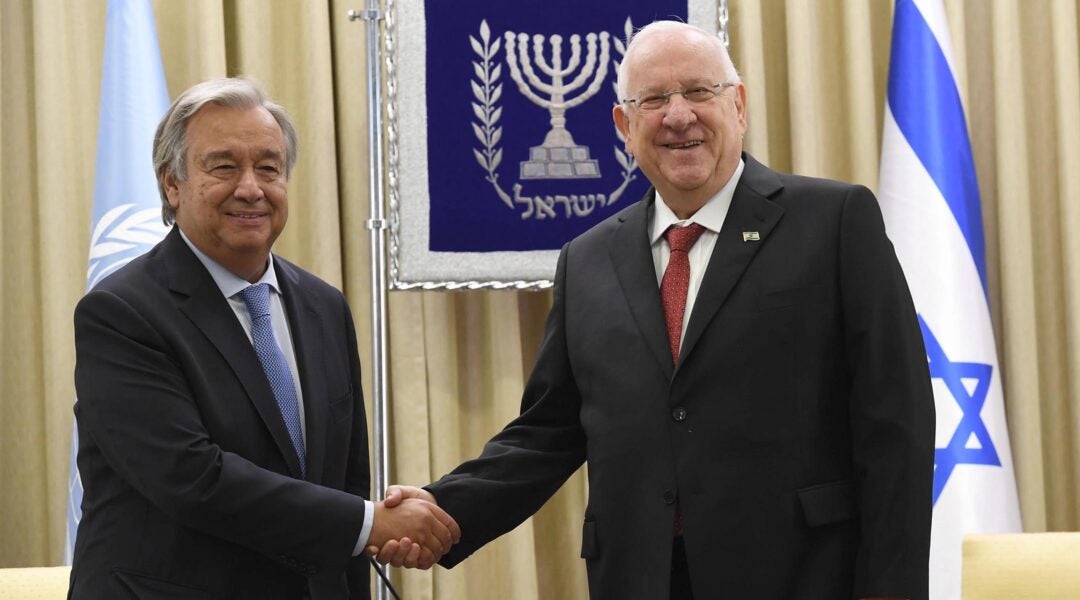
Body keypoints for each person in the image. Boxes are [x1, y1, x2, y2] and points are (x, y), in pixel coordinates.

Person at [373, 21, 935, 600]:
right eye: (653, 100)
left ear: (737, 105)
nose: (678, 116)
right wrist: (443, 508)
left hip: (803, 575)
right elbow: (547, 433)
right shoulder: (587, 260)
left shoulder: (833, 222)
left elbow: (896, 424)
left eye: (698, 91)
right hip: (639, 578)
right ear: (624, 126)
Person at [69, 78, 458, 600]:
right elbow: (193, 479)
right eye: (224, 166)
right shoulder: (121, 313)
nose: (250, 187)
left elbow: (342, 480)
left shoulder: (324, 307)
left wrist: (363, 534)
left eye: (269, 168)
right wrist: (370, 524)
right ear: (172, 185)